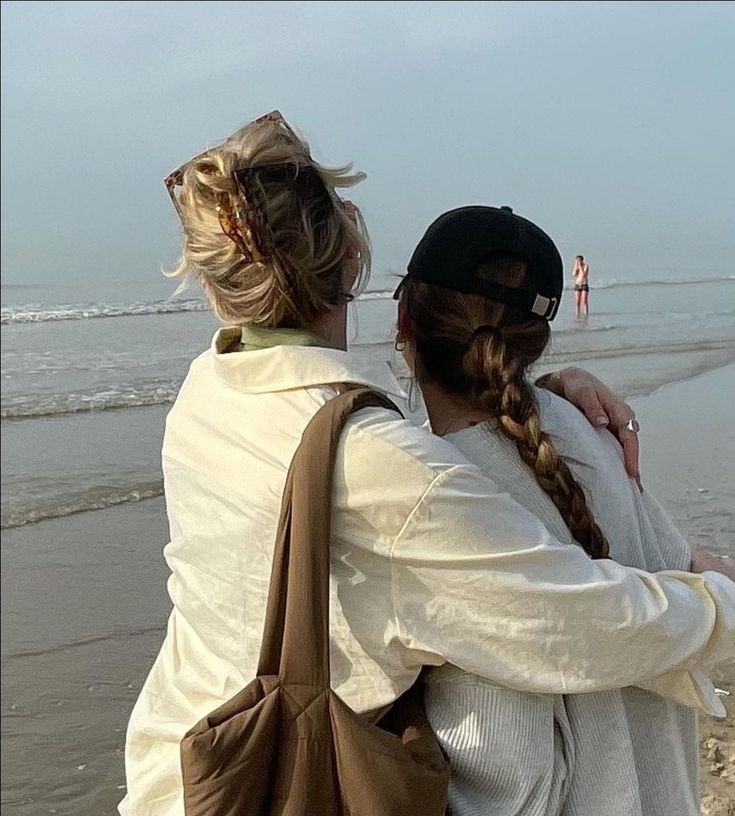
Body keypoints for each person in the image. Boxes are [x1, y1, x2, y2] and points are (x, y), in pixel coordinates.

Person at [120, 112, 735, 816]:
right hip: (286, 784)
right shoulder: (397, 471)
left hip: (188, 765)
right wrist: (717, 596)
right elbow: (579, 627)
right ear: (351, 261)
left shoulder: (207, 394)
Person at [393, 205, 734, 816]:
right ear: (535, 338)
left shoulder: (430, 494)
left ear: (402, 322)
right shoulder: (589, 430)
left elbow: (512, 766)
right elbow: (681, 566)